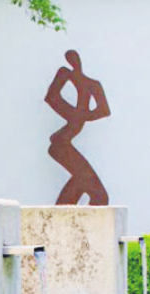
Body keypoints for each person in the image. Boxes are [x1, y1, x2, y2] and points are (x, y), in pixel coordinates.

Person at [44, 50, 111, 206]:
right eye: (71, 58)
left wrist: (82, 115)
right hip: (61, 143)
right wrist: (73, 114)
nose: (74, 61)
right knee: (98, 194)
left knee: (84, 183)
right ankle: (59, 218)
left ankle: (58, 218)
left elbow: (104, 110)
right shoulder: (65, 74)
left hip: (64, 143)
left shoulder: (93, 84)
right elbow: (51, 97)